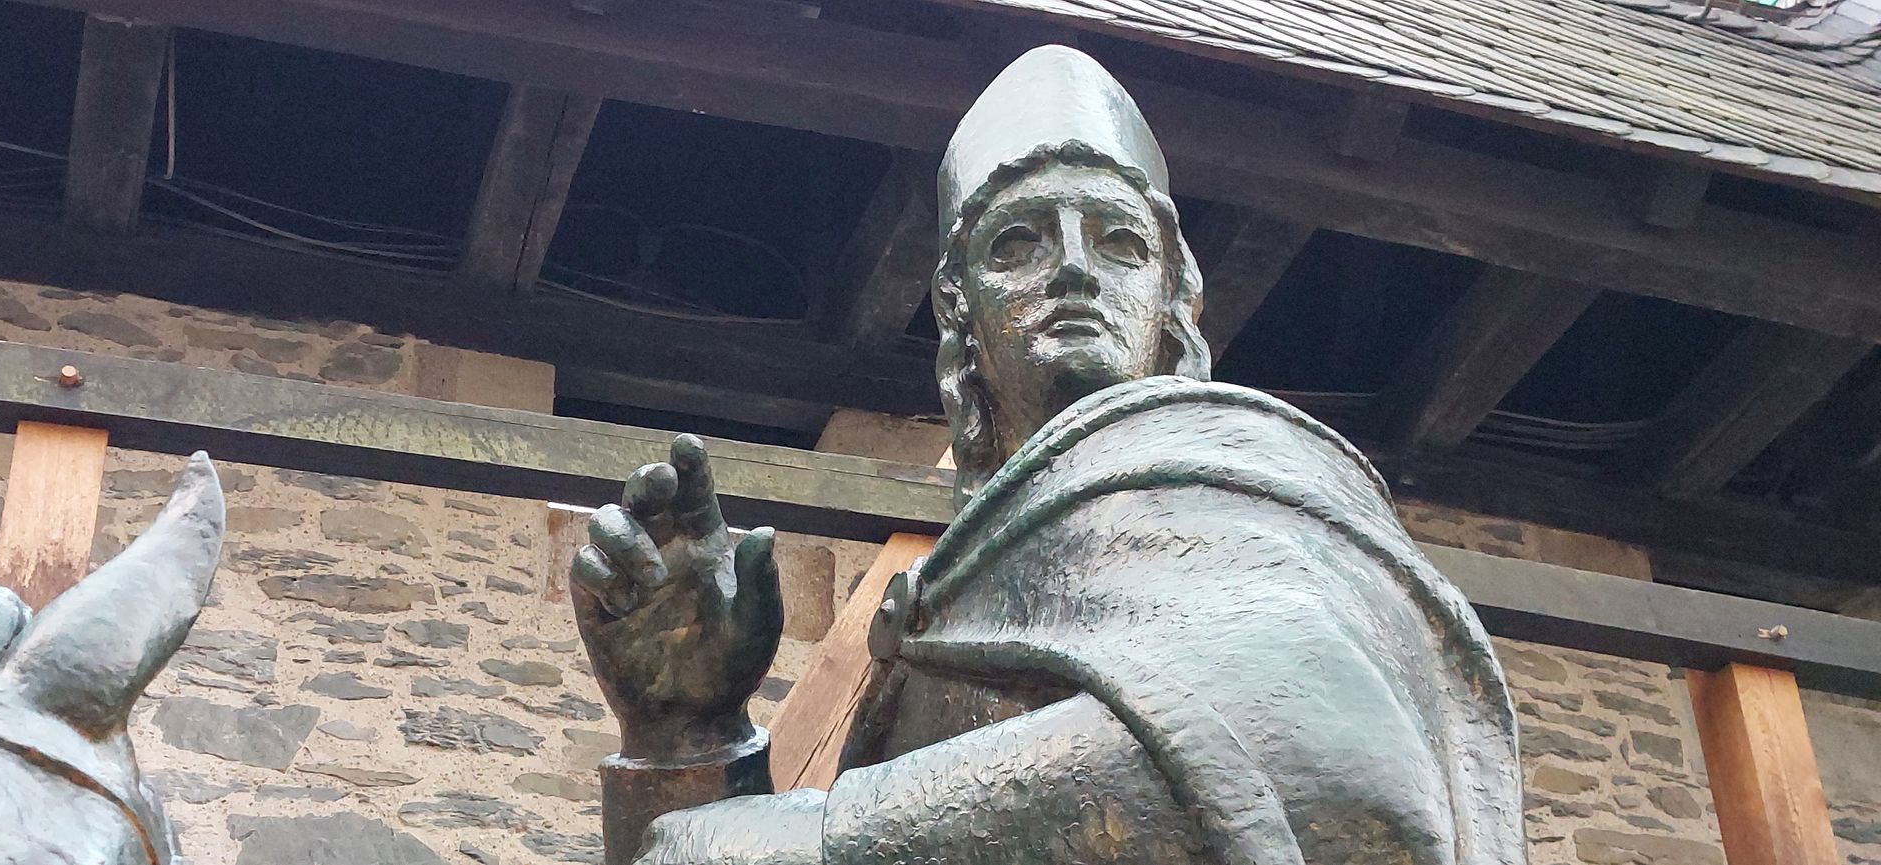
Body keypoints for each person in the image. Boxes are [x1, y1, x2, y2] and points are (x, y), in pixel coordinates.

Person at [571, 46, 1526, 865]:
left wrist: (830, 837)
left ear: (1173, 298)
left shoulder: (1259, 499)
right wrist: (684, 742)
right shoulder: (951, 609)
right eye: (1018, 243)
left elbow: (1337, 764)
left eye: (1119, 243)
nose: (1072, 266)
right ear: (960, 313)